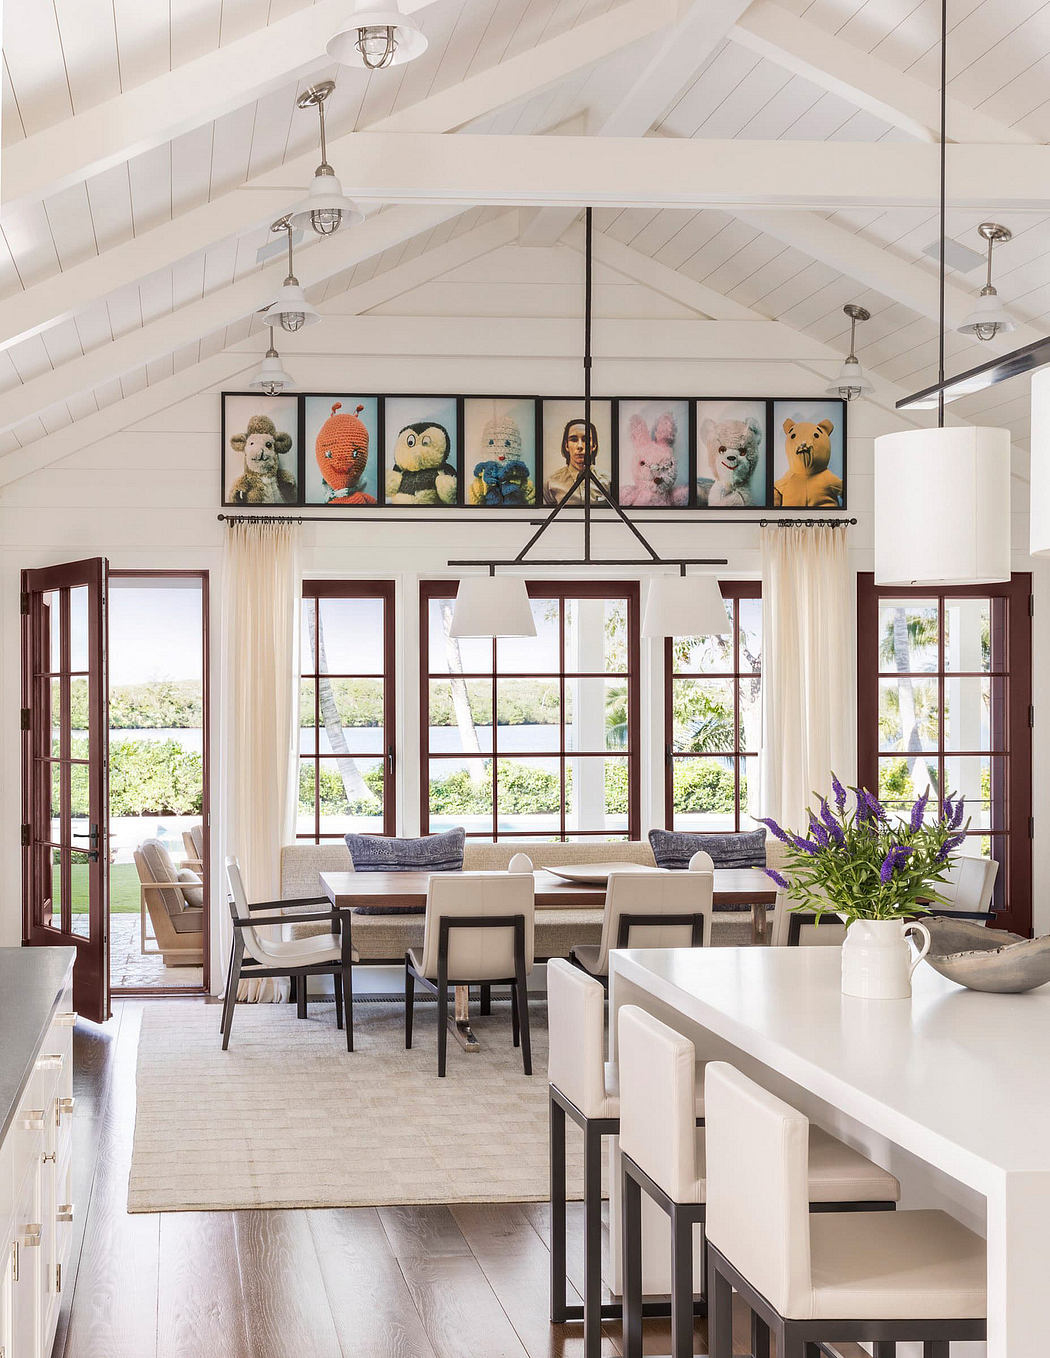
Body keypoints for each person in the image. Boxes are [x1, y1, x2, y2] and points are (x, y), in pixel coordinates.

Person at [543, 419, 610, 506]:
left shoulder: (608, 481)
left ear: (593, 446)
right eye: (574, 440)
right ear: (566, 446)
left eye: (585, 440)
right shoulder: (550, 483)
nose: (579, 446)